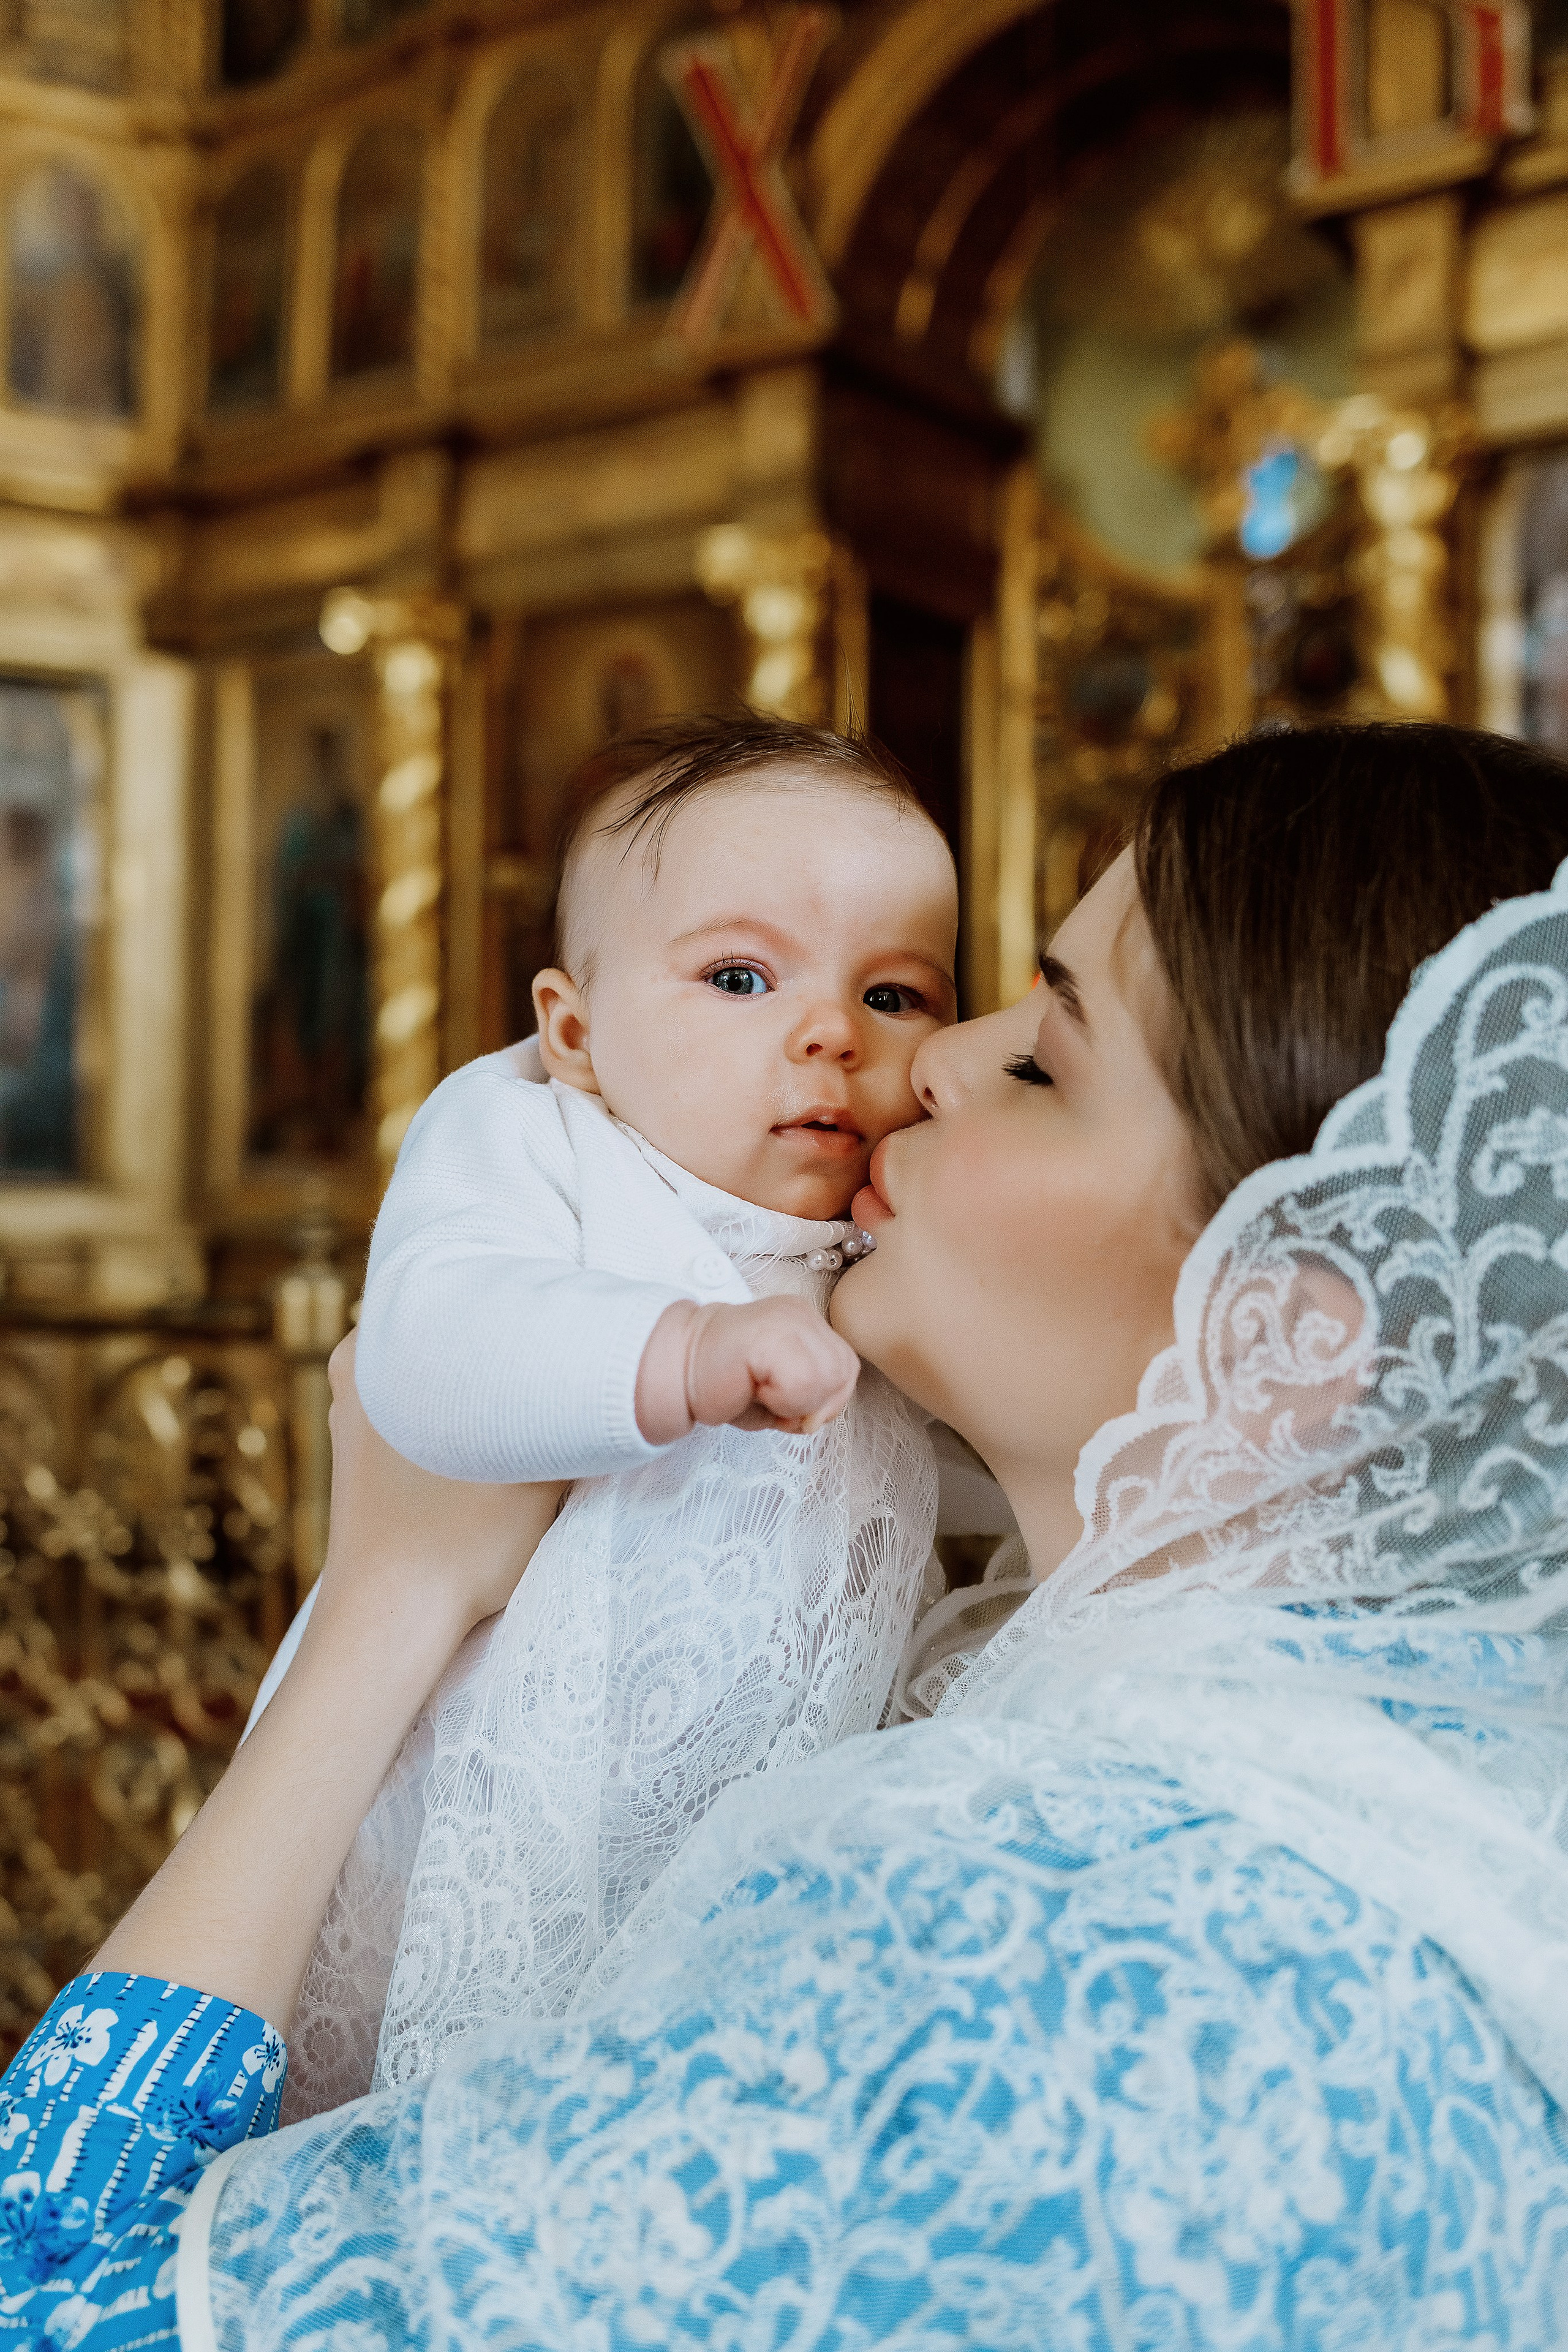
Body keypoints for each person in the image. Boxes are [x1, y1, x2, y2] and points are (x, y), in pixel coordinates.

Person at [4, 720, 1568, 2351]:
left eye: (1044, 1058)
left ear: (1290, 1340)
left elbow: (53, 2302)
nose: (937, 1054)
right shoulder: (1358, 1782)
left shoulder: (997, 1945)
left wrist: (390, 1595)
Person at [288, 715, 956, 2112]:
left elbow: (916, 1467)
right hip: (471, 1808)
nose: (831, 1031)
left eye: (896, 996)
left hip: (727, 1830)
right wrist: (686, 1349)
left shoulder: (888, 1228)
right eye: (738, 975)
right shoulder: (529, 1139)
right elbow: (429, 1354)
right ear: (575, 1030)